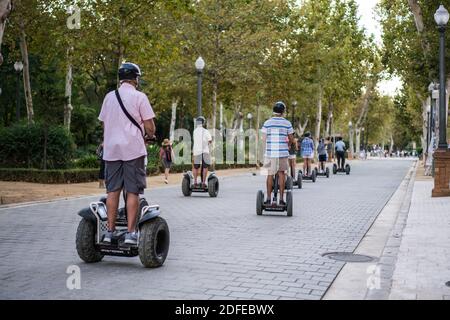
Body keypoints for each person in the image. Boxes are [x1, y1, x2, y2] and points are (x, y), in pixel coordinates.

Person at [98, 62, 156, 245]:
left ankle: (109, 232)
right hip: (133, 150)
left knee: (112, 190)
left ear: (121, 79)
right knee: (132, 191)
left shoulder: (109, 97)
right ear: (135, 79)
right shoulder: (140, 97)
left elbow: (104, 123)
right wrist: (150, 134)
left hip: (112, 150)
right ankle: (131, 233)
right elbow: (149, 126)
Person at [261, 101, 294, 206]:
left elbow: (263, 138)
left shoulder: (267, 123)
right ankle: (281, 199)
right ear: (283, 111)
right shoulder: (287, 123)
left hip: (270, 153)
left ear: (273, 111)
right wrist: (289, 144)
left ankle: (268, 198)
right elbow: (291, 139)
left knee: (270, 174)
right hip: (282, 153)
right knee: (281, 174)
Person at [192, 116, 212, 188]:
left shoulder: (194, 131)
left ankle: (195, 182)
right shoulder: (206, 131)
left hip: (196, 151)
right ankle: (203, 182)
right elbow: (210, 141)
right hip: (205, 151)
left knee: (195, 167)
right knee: (205, 167)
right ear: (203, 123)